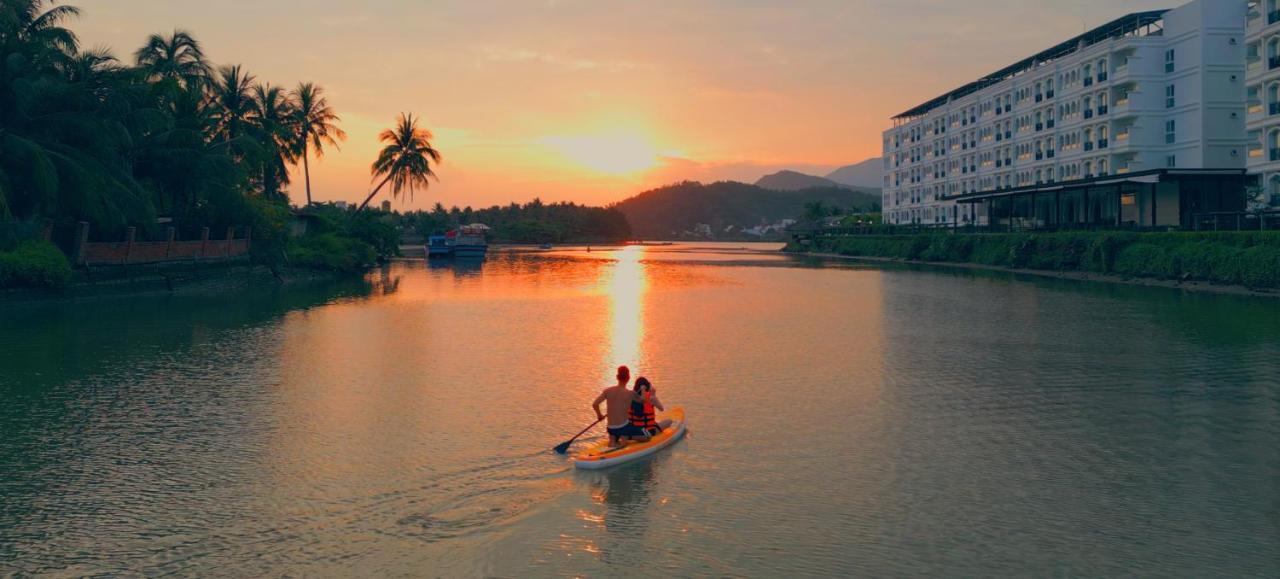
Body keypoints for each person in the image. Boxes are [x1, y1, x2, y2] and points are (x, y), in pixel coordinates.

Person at [593, 366, 648, 447]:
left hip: (611, 428)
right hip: (624, 427)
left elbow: (595, 404)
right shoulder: (630, 393)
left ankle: (613, 441)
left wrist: (599, 415)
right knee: (647, 436)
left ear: (617, 377)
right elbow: (643, 401)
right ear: (628, 378)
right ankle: (625, 439)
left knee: (615, 431)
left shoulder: (607, 391)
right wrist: (643, 389)